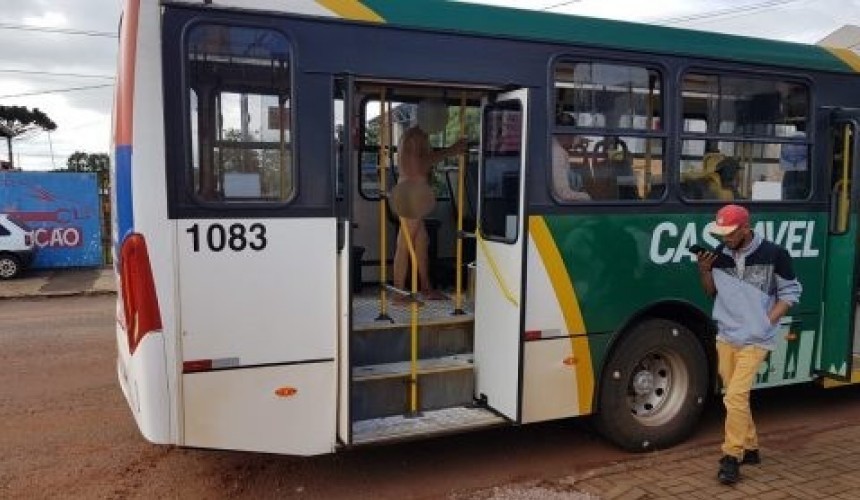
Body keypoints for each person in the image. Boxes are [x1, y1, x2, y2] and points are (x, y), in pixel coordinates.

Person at [695, 204, 802, 485]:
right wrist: (705, 270)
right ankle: (751, 448)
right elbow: (711, 292)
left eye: (730, 233)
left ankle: (732, 457)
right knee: (736, 396)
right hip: (727, 336)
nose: (725, 239)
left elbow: (790, 293)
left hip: (756, 338)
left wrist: (766, 322)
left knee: (734, 397)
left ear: (745, 227)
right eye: (721, 234)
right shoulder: (718, 256)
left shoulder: (775, 253)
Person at [391, 98, 467, 302]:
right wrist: (451, 150)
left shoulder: (421, 136)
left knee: (422, 242)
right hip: (410, 193)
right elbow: (417, 166)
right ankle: (398, 293)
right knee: (405, 243)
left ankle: (426, 288)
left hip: (415, 192)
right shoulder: (413, 137)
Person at [551, 134, 592, 201]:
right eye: (574, 137)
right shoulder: (557, 153)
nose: (574, 145)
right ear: (566, 135)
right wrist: (586, 197)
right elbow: (563, 194)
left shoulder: (555, 148)